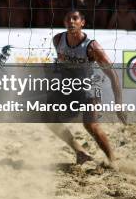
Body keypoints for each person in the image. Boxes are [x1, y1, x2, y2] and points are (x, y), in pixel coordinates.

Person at [46, 10, 126, 166]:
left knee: (91, 126)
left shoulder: (92, 47)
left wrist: (119, 103)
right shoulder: (57, 39)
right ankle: (80, 151)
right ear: (64, 23)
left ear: (82, 23)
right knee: (47, 116)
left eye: (75, 18)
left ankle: (113, 161)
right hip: (69, 87)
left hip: (90, 86)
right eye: (68, 19)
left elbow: (113, 75)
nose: (71, 21)